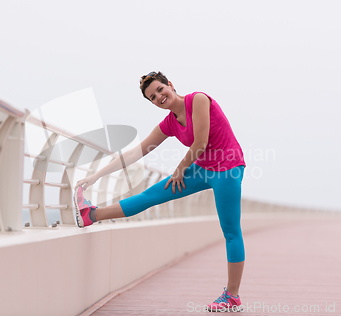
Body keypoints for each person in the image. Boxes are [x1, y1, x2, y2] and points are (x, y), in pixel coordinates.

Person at [74, 71, 246, 312]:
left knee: (230, 232)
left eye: (159, 90)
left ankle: (232, 297)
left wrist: (180, 169)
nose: (159, 97)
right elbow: (137, 152)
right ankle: (90, 215)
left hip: (228, 168)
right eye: (153, 97)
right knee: (152, 195)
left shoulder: (198, 100)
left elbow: (201, 142)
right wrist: (96, 175)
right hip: (202, 167)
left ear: (170, 85)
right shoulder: (169, 124)